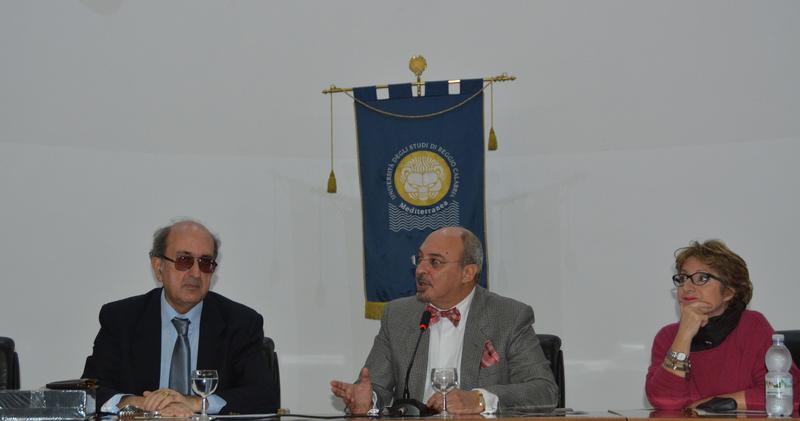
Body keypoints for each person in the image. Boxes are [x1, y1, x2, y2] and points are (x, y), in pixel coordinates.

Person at [331, 227, 558, 415]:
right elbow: (376, 386)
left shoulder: (508, 316)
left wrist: (480, 400)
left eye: (435, 262)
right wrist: (368, 400)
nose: (421, 270)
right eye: (420, 259)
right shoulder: (398, 315)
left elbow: (544, 391)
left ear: (467, 273)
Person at [82, 220, 278, 416]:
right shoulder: (121, 319)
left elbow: (264, 395)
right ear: (158, 267)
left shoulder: (241, 323)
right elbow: (90, 391)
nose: (196, 273)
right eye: (184, 260)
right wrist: (135, 403)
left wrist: (197, 403)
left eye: (205, 262)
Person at [645, 240, 800, 410]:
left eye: (702, 278)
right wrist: (683, 336)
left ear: (728, 291)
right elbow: (663, 401)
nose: (687, 287)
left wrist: (717, 403)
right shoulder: (668, 337)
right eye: (683, 278)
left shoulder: (752, 326)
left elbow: (788, 393)